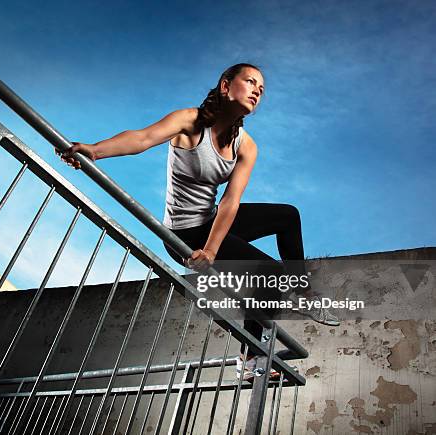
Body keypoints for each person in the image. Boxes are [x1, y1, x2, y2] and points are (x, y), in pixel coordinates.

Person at [56, 63, 339, 377]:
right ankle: (249, 361)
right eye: (250, 81)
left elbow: (230, 202)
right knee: (268, 272)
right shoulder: (190, 121)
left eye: (262, 88)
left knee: (287, 216)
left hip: (211, 223)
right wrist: (95, 150)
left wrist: (214, 249)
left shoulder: (246, 146)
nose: (258, 90)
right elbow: (142, 138)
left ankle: (302, 291)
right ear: (225, 86)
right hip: (183, 234)